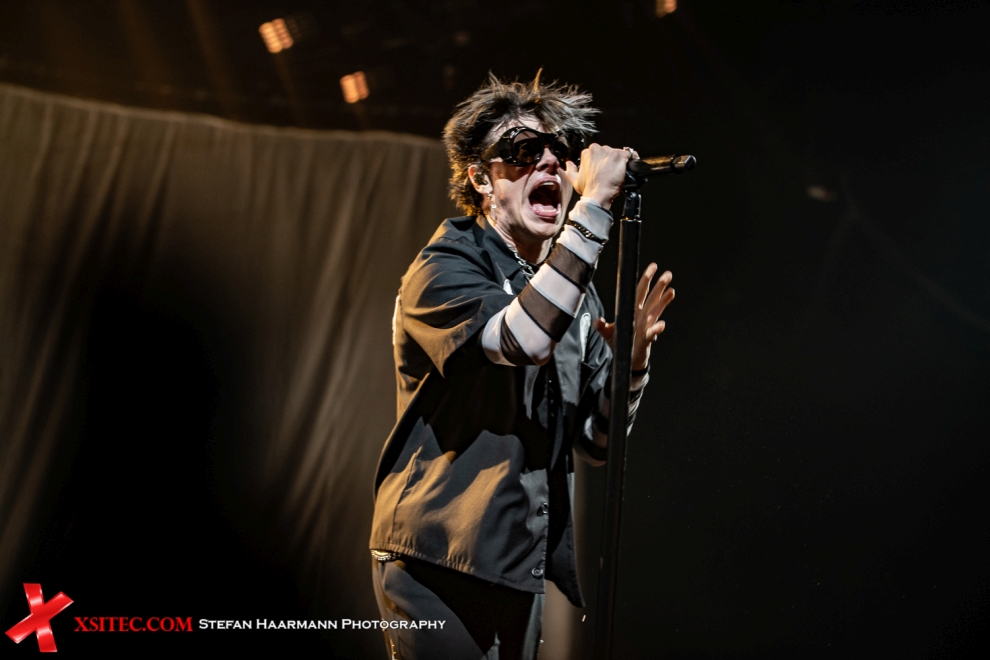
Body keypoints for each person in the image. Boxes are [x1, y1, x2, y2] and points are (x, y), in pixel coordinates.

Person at [369, 73, 675, 660]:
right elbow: (524, 337)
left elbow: (596, 441)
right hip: (436, 562)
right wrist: (592, 209)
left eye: (561, 151)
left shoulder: (573, 293)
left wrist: (632, 364)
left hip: (516, 568)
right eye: (523, 151)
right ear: (481, 179)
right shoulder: (444, 266)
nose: (550, 163)